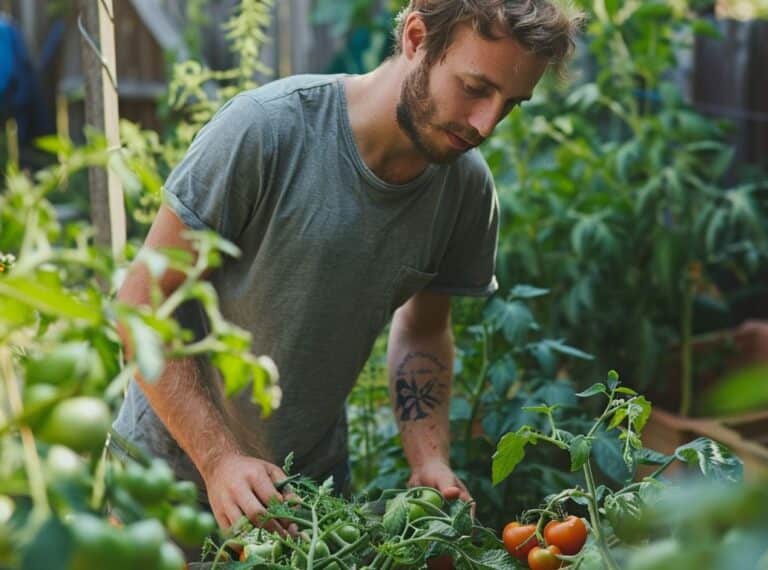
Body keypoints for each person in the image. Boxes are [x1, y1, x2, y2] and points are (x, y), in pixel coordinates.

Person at [113, 0, 581, 536]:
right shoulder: (266, 130)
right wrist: (219, 461)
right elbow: (141, 302)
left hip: (306, 501)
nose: (486, 124)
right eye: (475, 88)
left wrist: (428, 458)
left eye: (511, 104)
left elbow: (425, 331)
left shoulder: (466, 189)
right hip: (162, 485)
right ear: (415, 37)